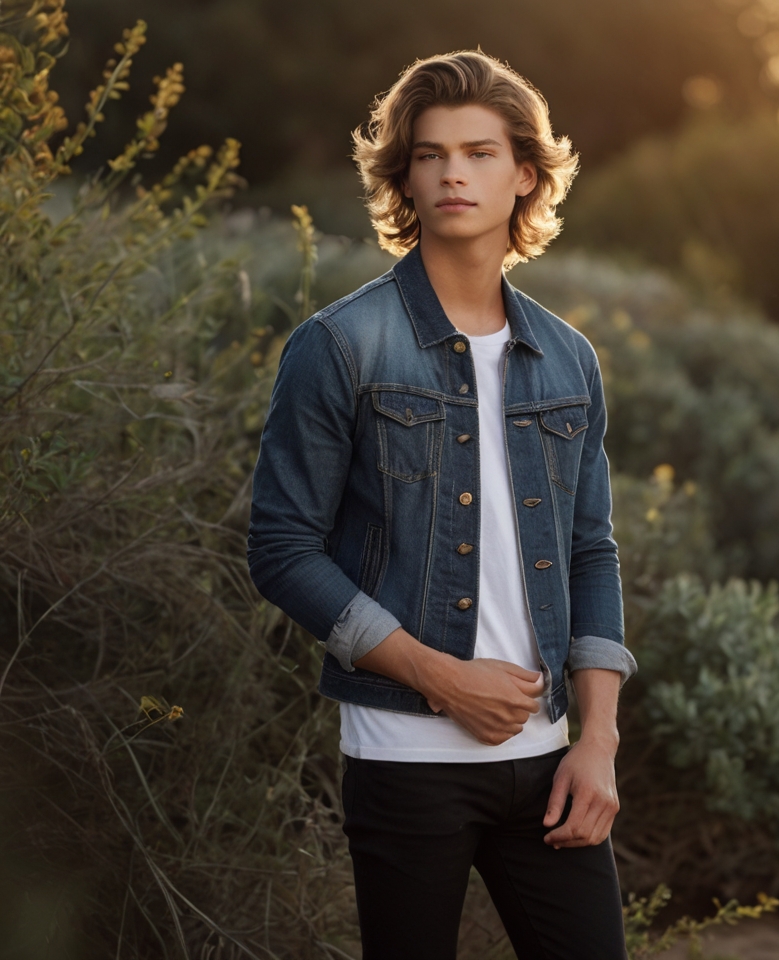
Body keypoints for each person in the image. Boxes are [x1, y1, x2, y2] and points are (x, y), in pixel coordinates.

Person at [247, 49, 637, 960]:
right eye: (429, 155)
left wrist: (599, 740)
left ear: (525, 176)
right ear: (405, 179)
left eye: (478, 152)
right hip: (404, 759)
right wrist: (439, 675)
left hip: (548, 764)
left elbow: (591, 552)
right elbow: (281, 548)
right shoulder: (341, 345)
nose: (453, 172)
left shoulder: (568, 357)